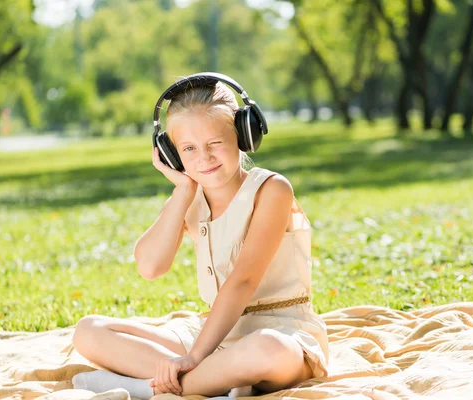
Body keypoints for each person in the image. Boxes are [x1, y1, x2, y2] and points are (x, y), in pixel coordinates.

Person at [71, 73, 329, 399]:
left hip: (280, 329)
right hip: (211, 334)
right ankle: (219, 381)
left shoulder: (271, 189)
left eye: (215, 144)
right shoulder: (188, 197)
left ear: (243, 136)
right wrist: (182, 191)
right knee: (89, 332)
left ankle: (149, 387)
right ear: (171, 154)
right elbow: (150, 267)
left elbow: (243, 281)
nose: (203, 159)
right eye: (188, 148)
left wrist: (194, 358)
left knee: (268, 350)